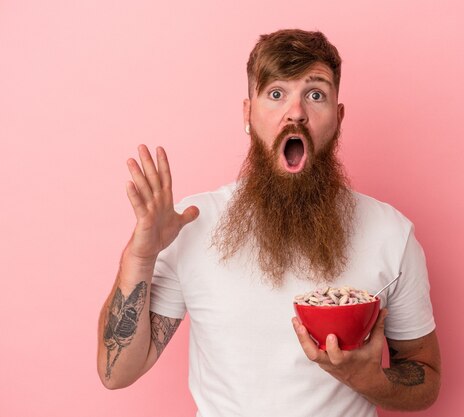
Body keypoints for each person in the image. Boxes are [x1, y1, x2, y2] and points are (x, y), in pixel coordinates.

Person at [97, 29, 441, 416]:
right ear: (248, 114)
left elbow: (425, 379)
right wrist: (140, 256)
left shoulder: (391, 233)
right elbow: (118, 373)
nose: (296, 112)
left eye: (316, 94)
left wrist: (369, 379)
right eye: (276, 94)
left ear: (339, 118)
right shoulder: (190, 224)